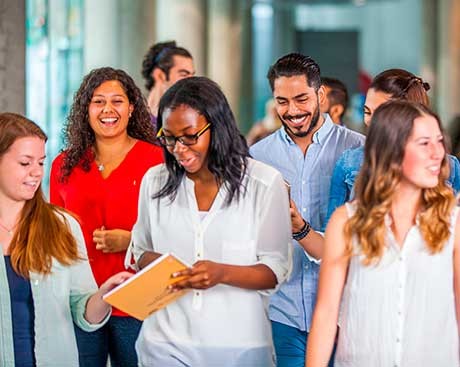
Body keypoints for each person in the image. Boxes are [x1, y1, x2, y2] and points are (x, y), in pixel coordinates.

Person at [126, 76, 292, 366]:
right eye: (169, 137)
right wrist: (165, 266)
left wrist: (222, 273)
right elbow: (139, 251)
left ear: (217, 128)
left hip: (240, 347)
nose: (178, 148)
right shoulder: (154, 182)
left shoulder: (263, 183)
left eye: (190, 136)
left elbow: (275, 270)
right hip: (164, 343)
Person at [306, 100, 460, 367]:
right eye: (424, 143)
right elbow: (327, 313)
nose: (438, 153)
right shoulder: (346, 222)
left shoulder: (454, 223)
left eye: (439, 141)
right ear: (392, 152)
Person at [250, 53, 365, 367]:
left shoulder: (358, 151)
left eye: (301, 98)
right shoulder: (258, 156)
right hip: (281, 312)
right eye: (282, 102)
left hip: (344, 313)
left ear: (321, 96)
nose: (292, 111)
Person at [50, 67, 164, 367]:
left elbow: (177, 231)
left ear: (132, 108)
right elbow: (54, 233)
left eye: (117, 101)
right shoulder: (64, 165)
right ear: (85, 109)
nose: (108, 109)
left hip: (138, 299)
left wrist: (131, 241)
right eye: (98, 101)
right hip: (80, 300)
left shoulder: (157, 161)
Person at [0, 113, 132, 366]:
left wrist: (105, 295)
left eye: (40, 162)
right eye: (25, 163)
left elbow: (83, 312)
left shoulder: (63, 226)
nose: (36, 173)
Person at [327, 68, 460, 224]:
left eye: (381, 114)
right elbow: (331, 232)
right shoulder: (350, 162)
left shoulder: (448, 166)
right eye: (367, 112)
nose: (371, 122)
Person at [141, 40, 195, 121]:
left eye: (192, 75)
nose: (192, 81)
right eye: (184, 74)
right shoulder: (132, 117)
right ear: (159, 75)